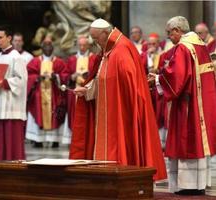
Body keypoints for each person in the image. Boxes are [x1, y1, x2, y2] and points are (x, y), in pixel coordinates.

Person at [69, 18, 167, 181]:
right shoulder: (108, 50)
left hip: (121, 111)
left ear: (106, 33)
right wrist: (87, 90)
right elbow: (102, 78)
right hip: (108, 111)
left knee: (121, 143)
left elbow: (128, 84)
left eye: (96, 38)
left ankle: (121, 177)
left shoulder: (121, 50)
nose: (94, 42)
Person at [148, 16, 216, 195]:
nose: (169, 37)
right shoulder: (200, 44)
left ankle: (187, 185)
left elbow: (176, 77)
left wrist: (157, 79)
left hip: (189, 106)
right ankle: (198, 184)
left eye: (170, 33)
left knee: (187, 141)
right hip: (202, 101)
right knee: (199, 142)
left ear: (178, 31)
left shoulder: (183, 48)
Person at [0, 26, 27, 161]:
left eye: (0, 37)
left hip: (11, 104)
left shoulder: (17, 57)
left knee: (10, 136)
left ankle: (12, 162)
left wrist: (4, 83)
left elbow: (22, 80)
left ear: (9, 38)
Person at [26, 37, 68, 148]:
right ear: (42, 47)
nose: (48, 47)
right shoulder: (35, 61)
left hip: (54, 94)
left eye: (50, 45)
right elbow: (29, 76)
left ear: (53, 47)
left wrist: (56, 76)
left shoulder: (59, 62)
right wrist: (37, 78)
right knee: (37, 111)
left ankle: (54, 140)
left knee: (56, 114)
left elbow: (65, 75)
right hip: (38, 94)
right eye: (45, 45)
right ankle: (38, 140)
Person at [62, 35, 96, 144]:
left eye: (84, 45)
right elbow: (64, 74)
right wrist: (71, 77)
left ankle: (88, 137)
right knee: (74, 113)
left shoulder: (93, 58)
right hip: (74, 92)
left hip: (88, 93)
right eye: (80, 45)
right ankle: (74, 138)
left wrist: (89, 76)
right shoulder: (72, 59)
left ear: (88, 46)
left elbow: (98, 74)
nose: (82, 47)